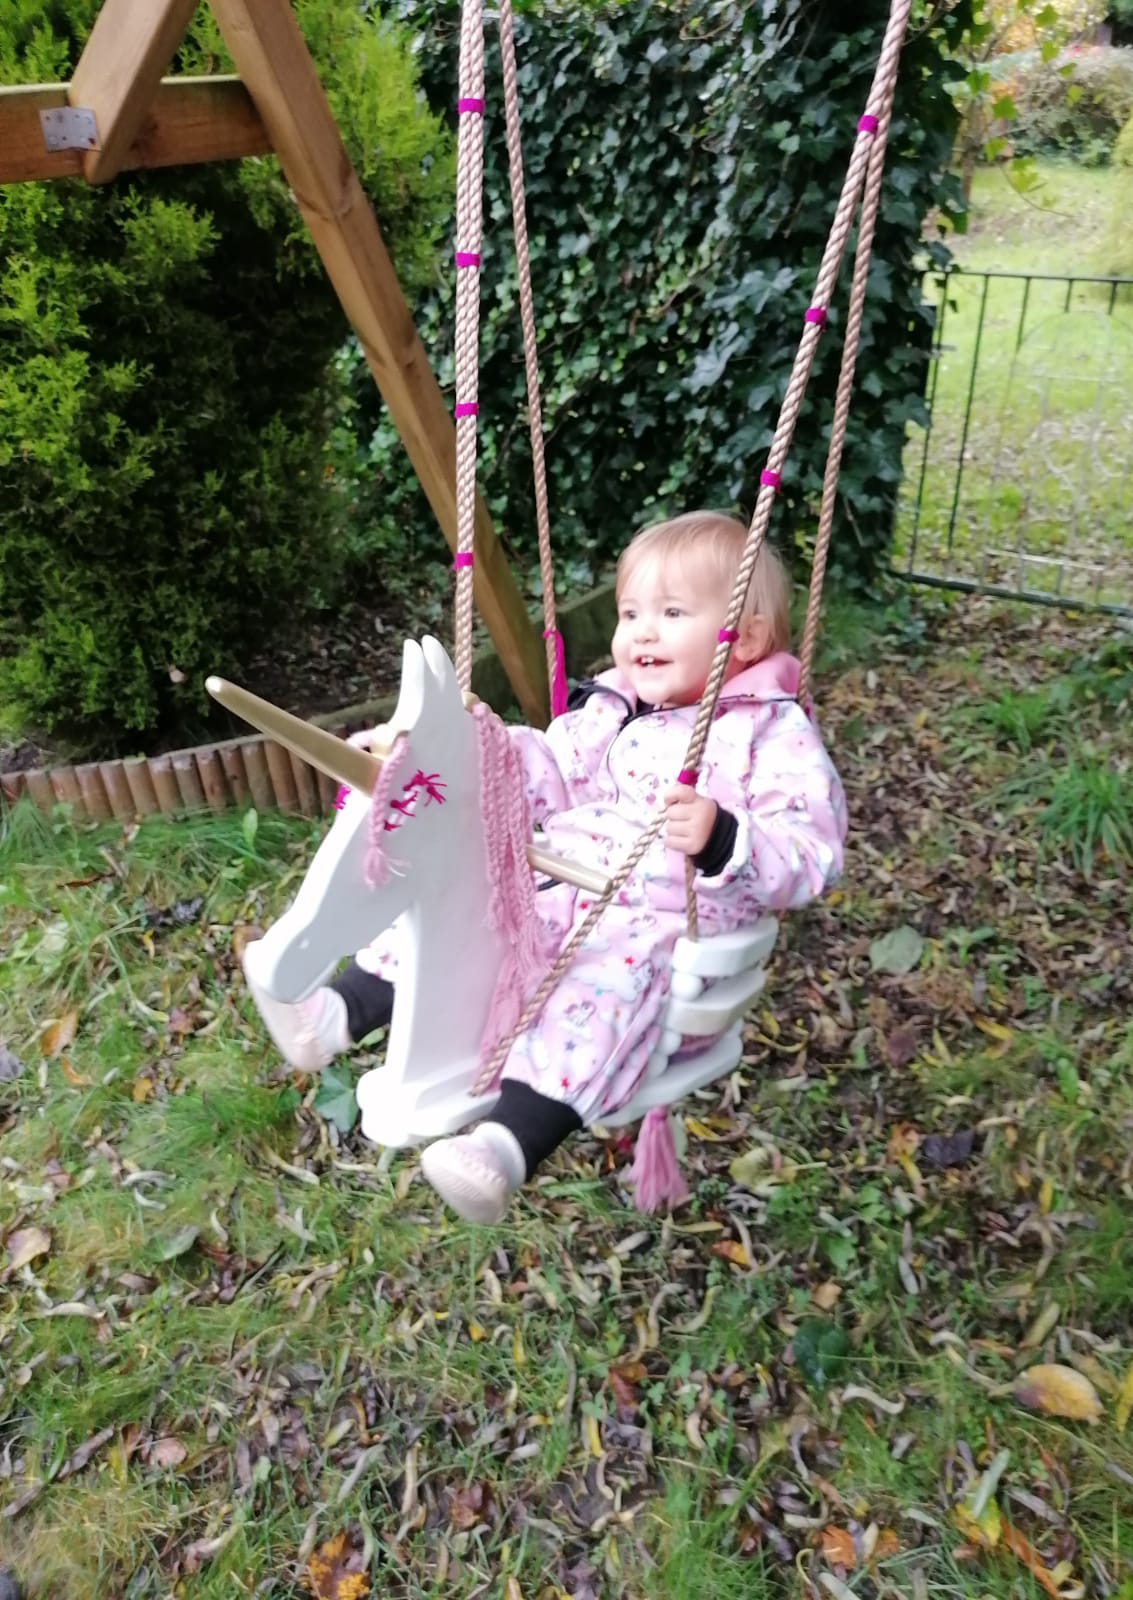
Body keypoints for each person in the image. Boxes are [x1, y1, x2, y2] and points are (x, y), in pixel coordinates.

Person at [250, 512, 848, 1222]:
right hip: (565, 884)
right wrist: (471, 747)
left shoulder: (771, 730)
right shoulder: (614, 710)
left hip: (663, 930)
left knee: (597, 988)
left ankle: (505, 1147)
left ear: (744, 638)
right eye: (631, 614)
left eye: (672, 613)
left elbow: (814, 852)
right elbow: (547, 769)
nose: (641, 633)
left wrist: (725, 838)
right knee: (469, 907)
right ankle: (338, 1012)